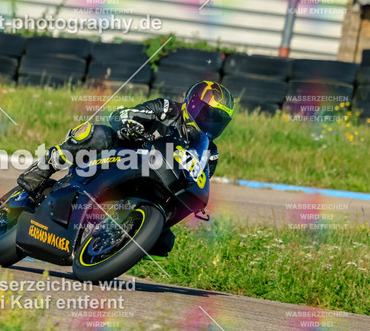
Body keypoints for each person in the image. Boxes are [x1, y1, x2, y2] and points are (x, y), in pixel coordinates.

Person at [17, 80, 234, 258]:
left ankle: (118, 237)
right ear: (193, 104)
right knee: (100, 134)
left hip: (156, 186)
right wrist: (131, 123)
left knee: (164, 241)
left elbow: (198, 181)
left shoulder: (210, 153)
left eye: (218, 121)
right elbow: (124, 115)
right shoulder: (167, 109)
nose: (211, 124)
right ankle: (40, 170)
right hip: (123, 157)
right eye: (209, 115)